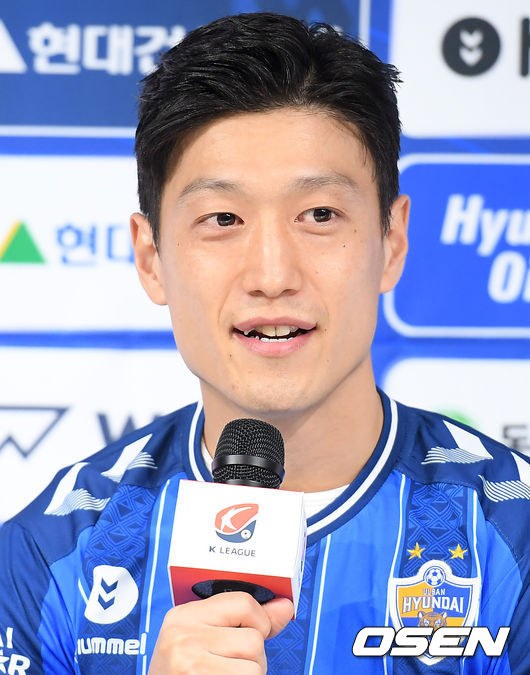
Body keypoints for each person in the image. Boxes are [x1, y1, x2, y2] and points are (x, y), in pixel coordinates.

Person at [0, 12, 528, 674]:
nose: (273, 275)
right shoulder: (51, 553)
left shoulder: (512, 535)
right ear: (151, 257)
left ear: (392, 241)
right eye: (223, 218)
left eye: (319, 214)